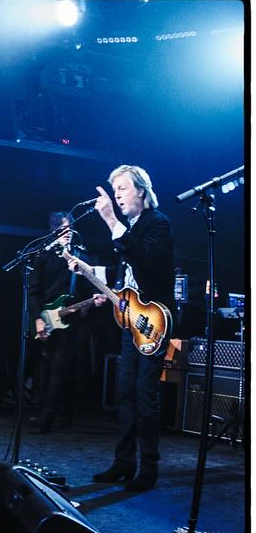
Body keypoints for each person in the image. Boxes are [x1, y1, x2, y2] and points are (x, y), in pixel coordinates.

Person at [71, 165, 175, 491]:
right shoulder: (129, 228)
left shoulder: (157, 224)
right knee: (124, 391)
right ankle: (123, 462)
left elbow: (142, 259)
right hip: (130, 323)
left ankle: (149, 468)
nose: (116, 194)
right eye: (114, 189)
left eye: (123, 188)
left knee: (146, 394)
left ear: (141, 191)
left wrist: (111, 221)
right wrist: (89, 272)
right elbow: (124, 274)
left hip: (154, 319)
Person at [29, 211, 95, 434]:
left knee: (61, 367)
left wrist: (90, 302)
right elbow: (34, 291)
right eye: (62, 229)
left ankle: (45, 420)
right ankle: (63, 415)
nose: (67, 233)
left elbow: (91, 288)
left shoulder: (81, 256)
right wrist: (38, 318)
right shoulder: (43, 256)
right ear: (53, 231)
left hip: (73, 320)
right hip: (47, 317)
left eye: (69, 228)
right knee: (51, 368)